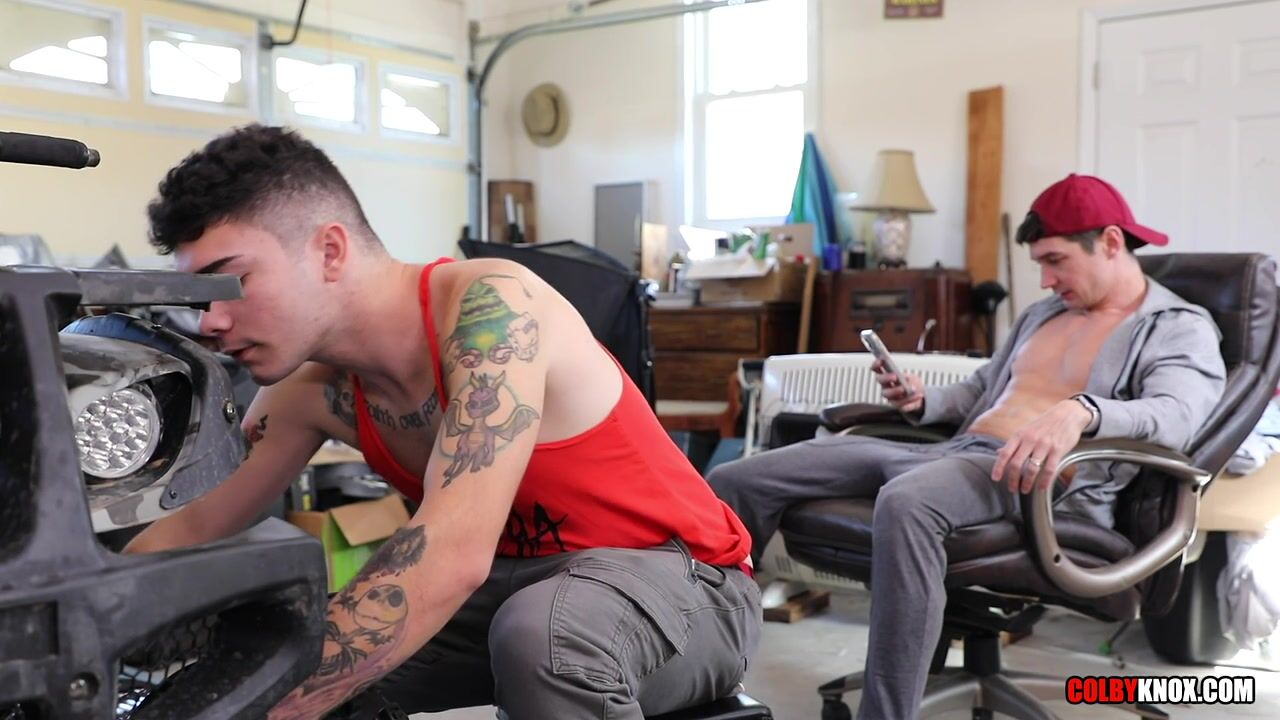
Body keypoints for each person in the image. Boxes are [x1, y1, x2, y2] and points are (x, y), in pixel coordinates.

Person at [125, 124, 760, 720]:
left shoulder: (492, 310)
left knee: (545, 638)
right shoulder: (305, 390)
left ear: (329, 250)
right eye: (200, 298)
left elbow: (452, 553)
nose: (210, 321)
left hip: (684, 585)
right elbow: (190, 527)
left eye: (231, 282)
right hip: (513, 589)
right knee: (283, 651)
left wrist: (266, 709)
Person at [707, 173, 1226, 719]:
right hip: (951, 453)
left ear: (1111, 242)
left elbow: (1177, 416)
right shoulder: (1044, 314)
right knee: (736, 480)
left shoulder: (1177, 327)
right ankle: (707, 667)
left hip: (1031, 480)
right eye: (1039, 264)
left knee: (908, 502)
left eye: (1056, 261)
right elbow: (984, 390)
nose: (1046, 280)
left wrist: (1083, 410)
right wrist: (921, 400)